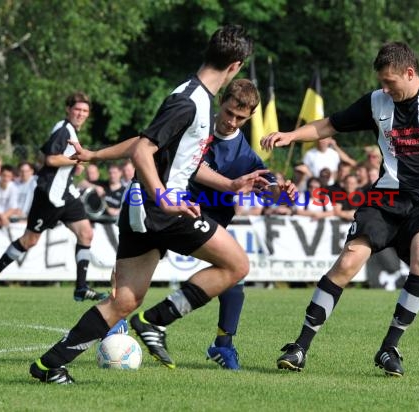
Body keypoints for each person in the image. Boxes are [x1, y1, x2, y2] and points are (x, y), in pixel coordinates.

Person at [261, 41, 419, 377]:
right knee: (349, 260)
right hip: (386, 197)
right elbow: (329, 125)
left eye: (390, 82)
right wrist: (291, 135)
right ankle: (300, 346)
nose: (384, 88)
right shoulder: (376, 102)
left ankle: (389, 347)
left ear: (410, 73)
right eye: (381, 82)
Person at [28, 24, 257, 384]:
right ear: (237, 66)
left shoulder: (192, 95)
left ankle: (48, 365)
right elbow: (143, 150)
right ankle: (156, 322)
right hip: (161, 209)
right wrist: (164, 195)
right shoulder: (191, 101)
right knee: (237, 264)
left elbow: (151, 142)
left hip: (148, 208)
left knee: (123, 300)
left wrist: (229, 183)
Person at [187, 78, 294, 369]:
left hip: (209, 221)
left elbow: (268, 185)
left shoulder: (244, 154)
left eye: (240, 118)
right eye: (229, 113)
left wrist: (280, 188)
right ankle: (118, 320)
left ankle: (223, 344)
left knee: (235, 273)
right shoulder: (193, 127)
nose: (232, 122)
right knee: (135, 253)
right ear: (220, 102)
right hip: (174, 209)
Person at [0, 92, 108, 303]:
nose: (81, 114)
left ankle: (81, 288)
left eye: (85, 111)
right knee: (30, 241)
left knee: (86, 233)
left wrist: (71, 166)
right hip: (49, 195)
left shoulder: (70, 131)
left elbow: (50, 157)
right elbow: (50, 158)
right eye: (77, 109)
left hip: (66, 193)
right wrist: (74, 161)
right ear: (68, 109)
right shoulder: (64, 129)